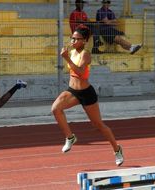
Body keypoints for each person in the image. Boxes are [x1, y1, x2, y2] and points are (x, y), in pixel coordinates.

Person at [51, 25, 124, 166]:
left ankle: (117, 149)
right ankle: (70, 137)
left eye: (76, 39)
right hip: (72, 91)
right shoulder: (72, 52)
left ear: (84, 41)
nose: (73, 41)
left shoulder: (86, 54)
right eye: (72, 38)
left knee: (98, 125)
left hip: (86, 93)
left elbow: (80, 72)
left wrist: (67, 59)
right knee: (55, 109)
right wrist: (68, 57)